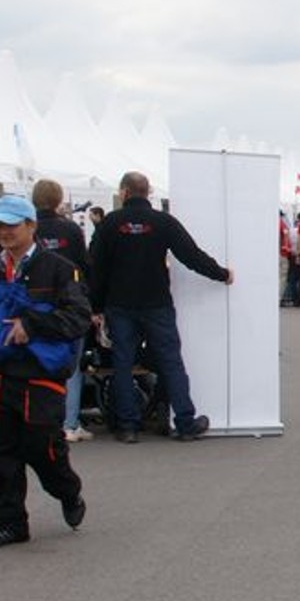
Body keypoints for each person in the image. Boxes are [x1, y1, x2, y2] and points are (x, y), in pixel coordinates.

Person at [0, 194, 91, 550]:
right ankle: (8, 523)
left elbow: (78, 317)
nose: (4, 232)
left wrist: (32, 324)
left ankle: (68, 491)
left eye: (11, 224)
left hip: (40, 375)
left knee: (42, 449)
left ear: (31, 226)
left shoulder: (58, 267)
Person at [88, 170, 234, 443]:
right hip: (156, 303)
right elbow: (191, 255)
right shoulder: (163, 222)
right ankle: (185, 422)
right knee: (170, 362)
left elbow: (97, 268)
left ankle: (128, 426)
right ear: (149, 192)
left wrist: (95, 306)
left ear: (123, 193)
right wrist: (222, 273)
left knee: (122, 363)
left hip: (120, 304)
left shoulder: (110, 223)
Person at [32, 179, 93, 442]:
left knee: (35, 363)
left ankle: (37, 419)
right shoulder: (70, 230)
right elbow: (83, 266)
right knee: (71, 366)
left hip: (35, 303)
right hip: (68, 302)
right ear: (58, 201)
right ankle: (69, 423)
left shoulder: (28, 228)